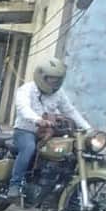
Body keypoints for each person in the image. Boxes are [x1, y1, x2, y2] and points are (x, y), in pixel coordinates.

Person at [8, 57, 91, 203]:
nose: (55, 82)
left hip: (48, 133)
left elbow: (70, 111)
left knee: (68, 152)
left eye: (58, 79)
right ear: (41, 76)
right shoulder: (26, 89)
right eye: (51, 79)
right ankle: (14, 185)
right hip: (25, 130)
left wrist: (88, 129)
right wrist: (37, 120)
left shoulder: (58, 93)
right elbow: (23, 108)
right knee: (29, 148)